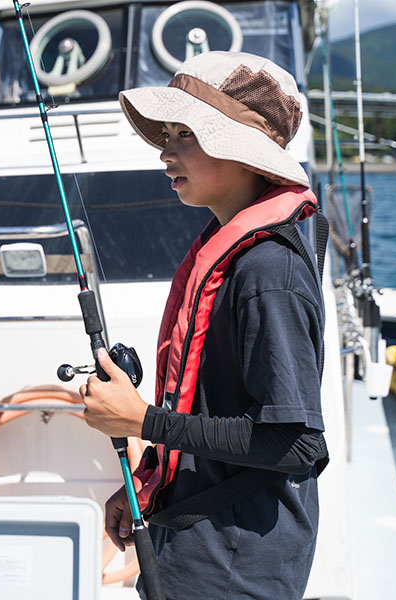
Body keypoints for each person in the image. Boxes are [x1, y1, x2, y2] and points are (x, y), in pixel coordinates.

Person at [81, 51, 328, 599]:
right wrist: (150, 484)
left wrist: (143, 421)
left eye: (184, 135)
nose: (165, 152)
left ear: (246, 156)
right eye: (165, 135)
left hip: (235, 569)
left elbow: (295, 444)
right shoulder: (237, 254)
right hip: (196, 542)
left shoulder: (268, 271)